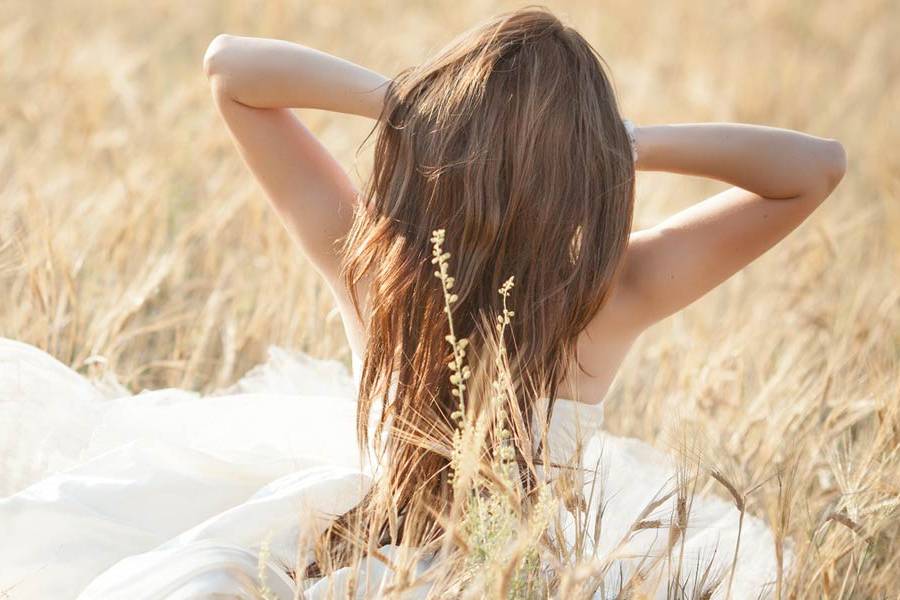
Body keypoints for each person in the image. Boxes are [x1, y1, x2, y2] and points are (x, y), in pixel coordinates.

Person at [0, 6, 846, 599]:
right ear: (578, 179)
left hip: (371, 540)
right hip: (522, 570)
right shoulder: (612, 295)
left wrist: (411, 104)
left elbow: (231, 68)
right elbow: (816, 166)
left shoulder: (376, 262)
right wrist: (622, 146)